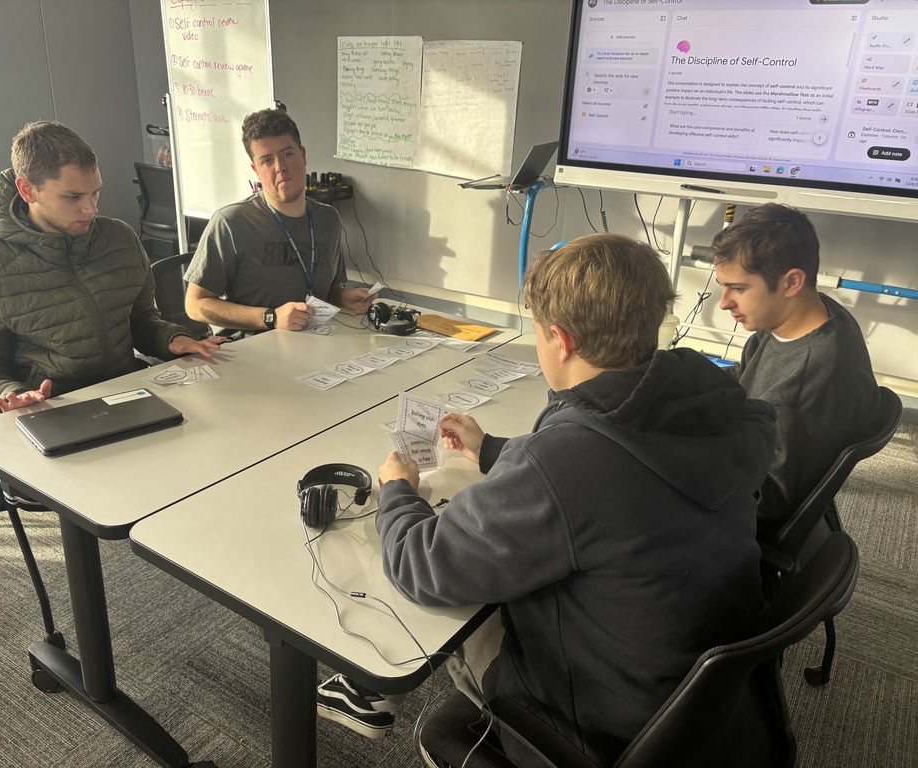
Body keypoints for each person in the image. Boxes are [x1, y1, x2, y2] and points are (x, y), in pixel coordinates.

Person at [316, 234, 777, 767]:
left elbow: (422, 564)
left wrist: (397, 491)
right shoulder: (718, 405)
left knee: (448, 599)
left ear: (559, 339)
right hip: (697, 701)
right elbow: (618, 457)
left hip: (599, 726)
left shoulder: (562, 463)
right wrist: (491, 449)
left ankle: (370, 686)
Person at [0, 120, 222, 559]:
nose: (91, 208)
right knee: (85, 495)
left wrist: (172, 339)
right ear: (28, 189)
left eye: (95, 192)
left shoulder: (117, 237)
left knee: (204, 448)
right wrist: (8, 393)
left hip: (120, 391)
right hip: (49, 405)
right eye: (73, 197)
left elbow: (141, 319)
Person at [710, 203, 880, 538]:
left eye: (738, 288)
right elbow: (745, 377)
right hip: (745, 443)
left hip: (741, 517)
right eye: (722, 286)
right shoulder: (807, 314)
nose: (724, 302)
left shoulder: (801, 391)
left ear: (791, 282)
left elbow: (764, 507)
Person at [184, 108, 374, 337]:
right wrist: (270, 317)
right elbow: (195, 305)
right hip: (251, 350)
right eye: (267, 160)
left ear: (303, 155)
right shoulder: (232, 223)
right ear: (256, 170)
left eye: (287, 154)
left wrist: (344, 298)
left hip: (315, 341)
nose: (280, 167)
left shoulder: (328, 220)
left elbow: (329, 290)